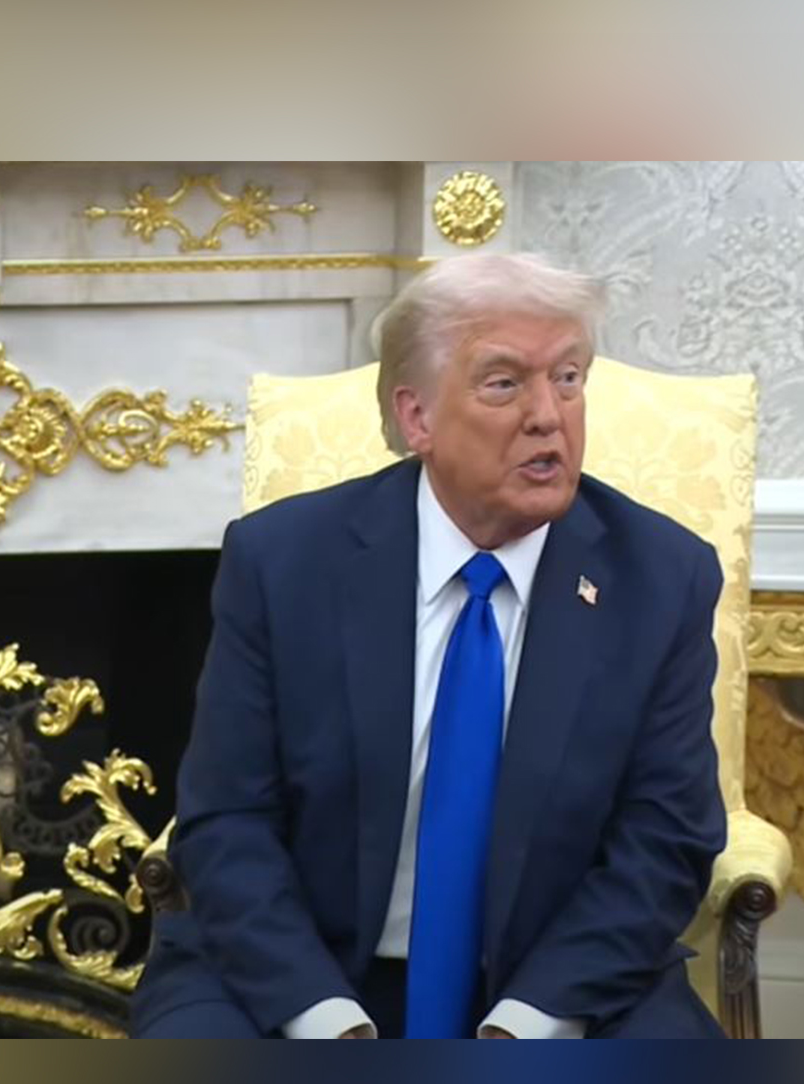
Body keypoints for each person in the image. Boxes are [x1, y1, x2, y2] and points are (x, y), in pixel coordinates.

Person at [131, 253, 727, 1039]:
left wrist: (531, 1020)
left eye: (570, 377)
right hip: (297, 969)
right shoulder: (285, 561)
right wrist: (323, 1018)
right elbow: (228, 818)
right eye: (505, 382)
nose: (549, 414)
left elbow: (666, 838)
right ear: (417, 419)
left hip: (557, 976)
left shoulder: (659, 577)